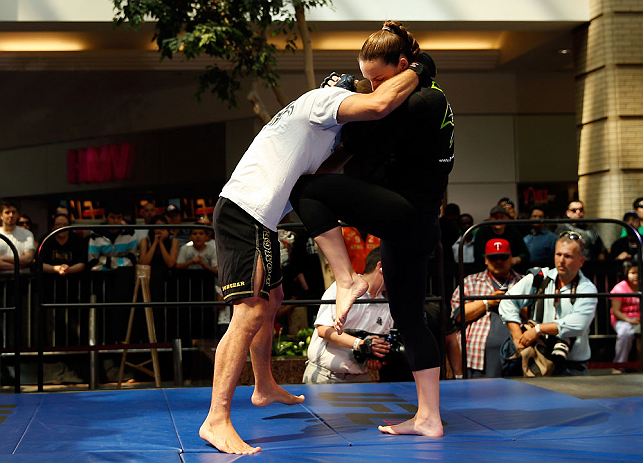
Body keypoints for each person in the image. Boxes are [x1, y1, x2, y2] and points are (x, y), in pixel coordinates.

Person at [200, 52, 423, 454]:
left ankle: (264, 385)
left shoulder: (321, 131)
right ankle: (216, 419)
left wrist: (356, 147)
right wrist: (418, 70)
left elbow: (316, 179)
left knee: (273, 301)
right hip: (244, 211)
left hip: (261, 217)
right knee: (249, 311)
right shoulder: (320, 101)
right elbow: (378, 104)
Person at [290, 21, 452, 438]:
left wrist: (342, 94)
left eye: (380, 79)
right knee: (408, 319)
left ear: (403, 67)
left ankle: (347, 281)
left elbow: (366, 132)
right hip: (408, 227)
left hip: (410, 216)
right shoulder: (419, 91)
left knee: (308, 189)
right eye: (368, 80)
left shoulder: (424, 103)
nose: (375, 88)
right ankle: (429, 418)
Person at [499, 232, 598, 376]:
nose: (561, 261)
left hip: (571, 366)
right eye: (558, 255)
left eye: (568, 256)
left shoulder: (587, 288)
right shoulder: (540, 278)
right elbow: (508, 301)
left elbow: (578, 324)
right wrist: (517, 336)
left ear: (581, 261)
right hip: (537, 362)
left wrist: (538, 329)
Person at [303, 247, 393, 383]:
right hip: (325, 376)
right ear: (381, 266)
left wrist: (375, 358)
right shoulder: (343, 287)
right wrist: (360, 344)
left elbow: (377, 344)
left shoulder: (387, 305)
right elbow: (323, 329)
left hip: (361, 379)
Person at [451, 239, 522, 377]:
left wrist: (510, 301)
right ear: (486, 260)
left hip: (518, 358)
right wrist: (487, 302)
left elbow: (534, 314)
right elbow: (459, 316)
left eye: (503, 257)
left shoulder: (524, 282)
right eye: (493, 257)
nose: (499, 261)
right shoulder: (470, 282)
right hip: (476, 359)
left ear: (511, 258)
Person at [474, 205, 529, 272]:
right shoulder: (483, 231)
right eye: (496, 217)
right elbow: (478, 254)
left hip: (511, 270)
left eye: (502, 217)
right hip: (487, 269)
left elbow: (525, 254)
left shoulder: (513, 231)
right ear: (490, 218)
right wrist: (492, 260)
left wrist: (517, 259)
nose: (499, 220)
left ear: (507, 219)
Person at [609, 260, 641, 374]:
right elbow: (616, 311)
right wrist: (630, 320)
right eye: (633, 273)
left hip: (639, 320)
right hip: (622, 319)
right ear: (626, 273)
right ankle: (619, 365)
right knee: (625, 333)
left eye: (638, 272)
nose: (636, 276)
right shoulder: (620, 288)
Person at [0, 201, 36, 273]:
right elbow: (27, 262)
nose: (11, 215)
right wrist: (19, 265)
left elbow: (28, 258)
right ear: (1, 216)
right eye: (7, 212)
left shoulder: (27, 234)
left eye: (13, 212)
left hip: (22, 281)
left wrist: (3, 258)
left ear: (18, 215)